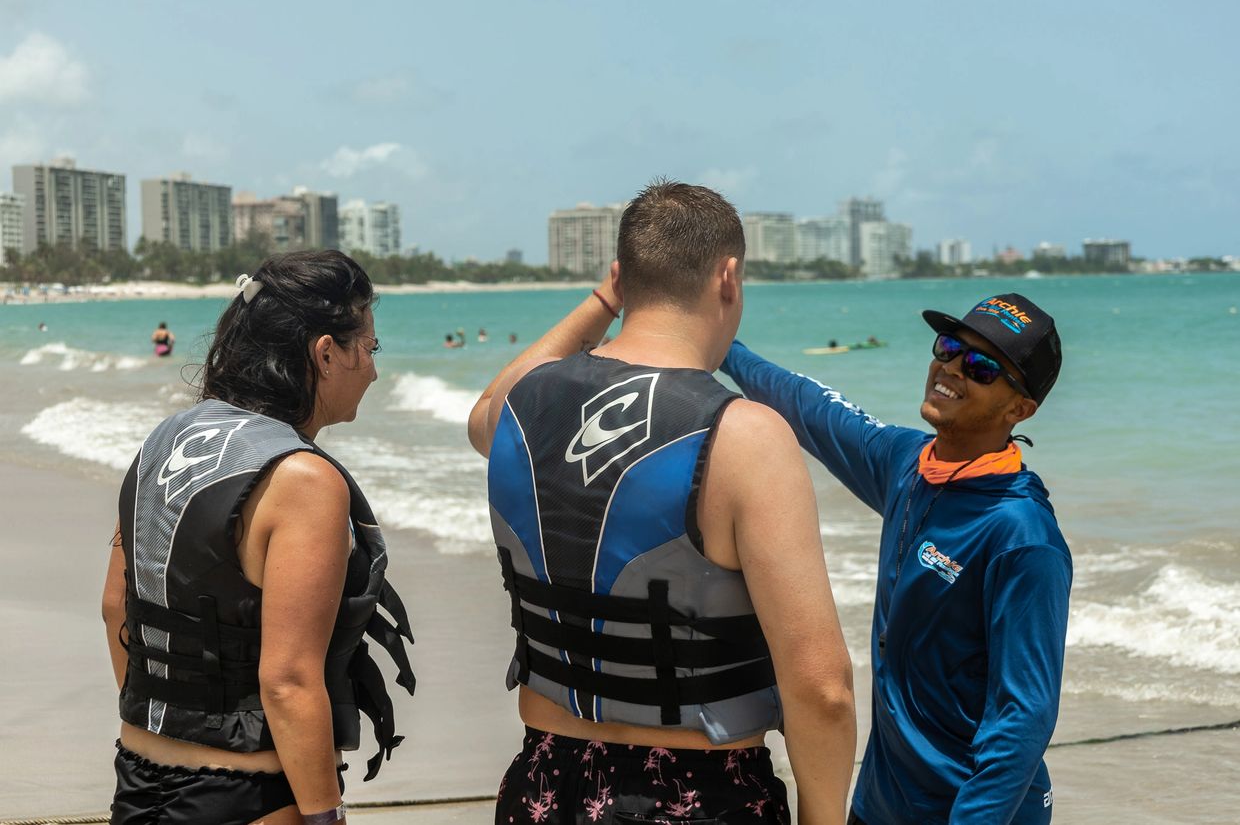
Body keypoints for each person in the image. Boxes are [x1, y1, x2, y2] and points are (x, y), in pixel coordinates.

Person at [468, 181, 856, 825]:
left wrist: (600, 302)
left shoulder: (518, 407)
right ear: (728, 277)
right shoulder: (743, 436)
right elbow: (823, 690)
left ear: (622, 278)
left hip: (545, 783)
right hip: (695, 795)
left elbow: (484, 409)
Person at [720, 293, 1072, 824]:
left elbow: (1023, 716)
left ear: (1019, 408)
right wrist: (718, 341)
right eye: (950, 347)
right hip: (881, 803)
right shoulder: (907, 463)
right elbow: (805, 403)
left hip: (970, 811)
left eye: (981, 367)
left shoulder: (1021, 536)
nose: (951, 368)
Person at [102, 252, 416, 825]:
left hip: (137, 777)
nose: (372, 370)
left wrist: (171, 728)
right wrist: (326, 815)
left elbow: (115, 608)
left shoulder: (166, 439)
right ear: (325, 354)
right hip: (245, 794)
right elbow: (288, 680)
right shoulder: (303, 479)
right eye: (369, 349)